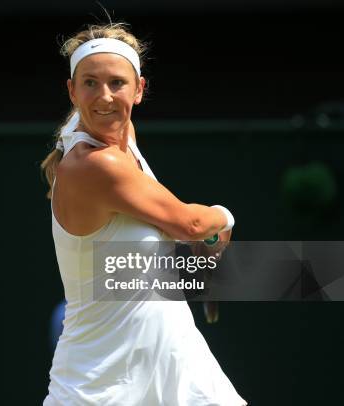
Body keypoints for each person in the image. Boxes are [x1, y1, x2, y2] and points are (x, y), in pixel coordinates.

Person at [41, 22, 246, 405]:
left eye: (117, 83)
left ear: (139, 90)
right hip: (102, 385)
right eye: (89, 83)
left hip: (175, 367)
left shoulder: (118, 137)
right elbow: (192, 224)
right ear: (72, 90)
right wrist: (225, 218)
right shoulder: (95, 165)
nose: (104, 96)